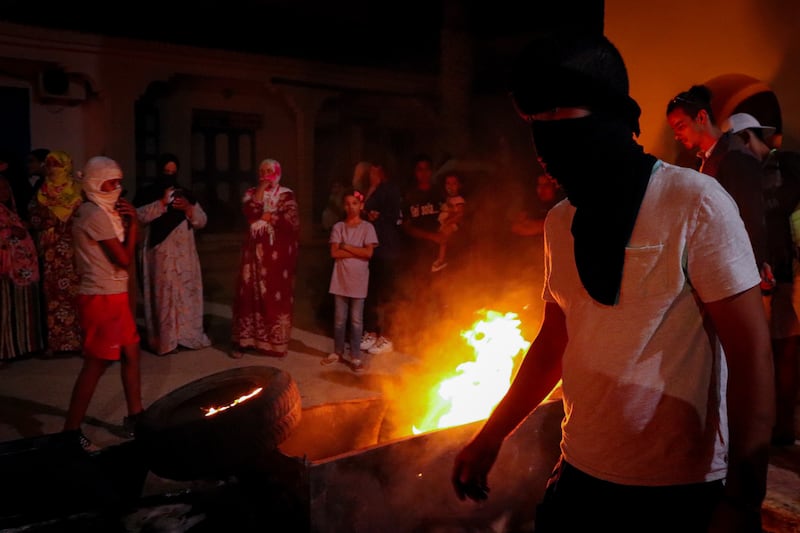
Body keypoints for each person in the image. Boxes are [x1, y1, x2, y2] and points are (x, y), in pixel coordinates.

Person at [451, 33, 774, 533]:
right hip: (579, 476)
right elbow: (555, 341)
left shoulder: (696, 203)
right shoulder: (560, 222)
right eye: (535, 126)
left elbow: (752, 356)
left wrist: (742, 499)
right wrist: (491, 436)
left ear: (609, 116)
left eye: (559, 122)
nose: (545, 145)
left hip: (679, 493)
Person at [723, 112, 800, 446]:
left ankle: (781, 426)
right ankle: (777, 426)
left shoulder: (783, 168)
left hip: (785, 274)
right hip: (770, 276)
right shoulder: (753, 172)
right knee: (777, 349)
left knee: (784, 349)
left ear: (745, 138)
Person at [64, 156, 144, 451]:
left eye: (120, 181)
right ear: (96, 183)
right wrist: (134, 223)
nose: (118, 188)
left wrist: (129, 222)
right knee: (96, 364)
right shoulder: (93, 214)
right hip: (101, 296)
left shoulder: (102, 211)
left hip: (113, 295)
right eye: (112, 182)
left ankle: (136, 417)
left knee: (131, 354)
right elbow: (123, 258)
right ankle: (70, 433)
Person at [666, 85, 769, 276]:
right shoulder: (703, 161)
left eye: (680, 126)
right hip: (717, 265)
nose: (676, 135)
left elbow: (752, 220)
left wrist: (752, 270)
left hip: (736, 269)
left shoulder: (735, 158)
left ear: (702, 117)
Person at [134, 153, 211, 356]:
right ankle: (165, 342)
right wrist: (161, 203)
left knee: (185, 294)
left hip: (184, 253)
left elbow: (202, 220)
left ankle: (186, 337)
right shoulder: (147, 193)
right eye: (166, 172)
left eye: (173, 172)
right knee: (164, 295)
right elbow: (137, 217)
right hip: (159, 253)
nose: (169, 176)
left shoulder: (185, 194)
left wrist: (188, 208)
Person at [231, 158, 300, 359]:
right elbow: (250, 211)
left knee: (273, 294)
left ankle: (274, 343)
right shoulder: (252, 192)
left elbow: (291, 221)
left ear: (278, 172)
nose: (266, 175)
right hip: (253, 254)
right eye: (262, 171)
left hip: (275, 255)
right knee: (248, 293)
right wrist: (262, 192)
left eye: (270, 171)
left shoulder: (287, 194)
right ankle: (244, 341)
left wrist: (270, 217)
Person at [27, 150, 83, 356]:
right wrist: (46, 220)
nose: (53, 169)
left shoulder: (76, 191)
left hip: (73, 250)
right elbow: (33, 216)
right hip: (51, 252)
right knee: (52, 295)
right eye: (49, 165)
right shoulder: (42, 191)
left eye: (57, 165)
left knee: (77, 295)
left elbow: (81, 217)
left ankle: (79, 341)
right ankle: (57, 343)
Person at [320, 188, 378, 373]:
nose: (351, 207)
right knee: (339, 320)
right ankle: (337, 351)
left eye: (355, 203)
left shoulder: (367, 228)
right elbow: (334, 252)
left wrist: (346, 246)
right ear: (344, 206)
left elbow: (368, 253)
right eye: (348, 203)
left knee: (356, 321)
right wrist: (355, 250)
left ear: (361, 205)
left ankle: (355, 356)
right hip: (340, 281)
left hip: (359, 281)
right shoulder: (339, 227)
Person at [359, 162, 402, 356]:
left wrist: (378, 215)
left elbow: (394, 217)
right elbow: (364, 210)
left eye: (375, 171)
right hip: (372, 251)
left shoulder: (390, 190)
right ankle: (371, 332)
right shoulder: (371, 190)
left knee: (388, 295)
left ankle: (388, 336)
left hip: (388, 250)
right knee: (372, 294)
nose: (371, 175)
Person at [0, 174, 43, 363]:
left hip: (22, 270)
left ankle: (19, 348)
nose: (4, 192)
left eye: (6, 188)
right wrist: (9, 232)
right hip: (6, 270)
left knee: (18, 308)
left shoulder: (9, 211)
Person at [431, 172, 466, 273]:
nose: (450, 186)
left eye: (454, 183)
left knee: (443, 239)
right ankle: (439, 260)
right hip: (444, 223)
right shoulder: (446, 199)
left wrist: (448, 222)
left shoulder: (459, 200)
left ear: (459, 185)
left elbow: (460, 214)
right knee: (440, 239)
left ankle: (441, 260)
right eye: (448, 183)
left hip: (452, 224)